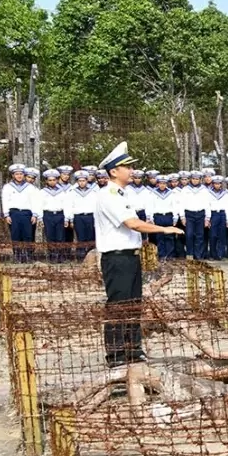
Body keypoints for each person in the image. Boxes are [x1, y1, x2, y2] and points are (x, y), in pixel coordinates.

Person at [94, 142, 183, 367]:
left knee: (134, 304)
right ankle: (116, 355)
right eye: (127, 167)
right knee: (118, 306)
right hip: (117, 258)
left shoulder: (122, 194)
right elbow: (133, 224)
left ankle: (133, 350)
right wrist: (164, 229)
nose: (131, 171)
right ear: (114, 171)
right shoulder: (109, 195)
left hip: (130, 256)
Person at [70, 169, 99, 259]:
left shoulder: (93, 192)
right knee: (80, 237)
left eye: (83, 181)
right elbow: (70, 206)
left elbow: (96, 206)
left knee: (90, 236)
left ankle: (91, 256)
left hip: (90, 216)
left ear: (87, 181)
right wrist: (70, 218)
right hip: (78, 217)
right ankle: (80, 257)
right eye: (80, 181)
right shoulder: (73, 192)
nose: (82, 183)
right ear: (77, 181)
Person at [179, 170, 209, 259]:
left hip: (200, 214)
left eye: (197, 179)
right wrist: (182, 216)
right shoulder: (185, 189)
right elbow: (181, 203)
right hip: (189, 214)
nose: (195, 180)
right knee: (189, 234)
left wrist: (207, 217)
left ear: (200, 179)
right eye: (193, 179)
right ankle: (189, 254)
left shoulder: (204, 189)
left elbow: (207, 204)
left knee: (199, 235)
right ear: (190, 179)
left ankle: (198, 255)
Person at [205, 174, 228, 260]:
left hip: (222, 214)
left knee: (222, 235)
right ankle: (212, 254)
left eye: (219, 183)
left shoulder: (225, 193)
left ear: (221, 184)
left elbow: (227, 206)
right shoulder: (209, 193)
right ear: (213, 184)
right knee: (212, 235)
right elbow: (207, 206)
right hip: (213, 214)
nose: (217, 185)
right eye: (215, 183)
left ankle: (220, 254)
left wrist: (227, 219)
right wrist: (208, 218)